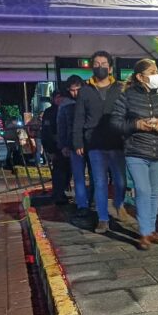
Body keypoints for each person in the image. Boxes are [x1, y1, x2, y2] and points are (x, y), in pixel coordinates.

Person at [111, 58, 158, 250]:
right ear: (140, 77)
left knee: (153, 192)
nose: (156, 75)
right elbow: (115, 123)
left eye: (156, 71)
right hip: (136, 151)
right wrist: (136, 124)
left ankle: (150, 229)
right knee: (142, 190)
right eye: (152, 72)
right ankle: (144, 232)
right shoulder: (127, 96)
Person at [73, 51, 126, 233]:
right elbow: (79, 118)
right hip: (94, 143)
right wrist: (78, 142)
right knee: (100, 182)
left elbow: (127, 113)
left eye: (104, 64)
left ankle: (119, 203)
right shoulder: (85, 90)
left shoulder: (120, 88)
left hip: (117, 141)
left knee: (120, 181)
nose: (100, 67)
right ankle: (103, 218)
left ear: (110, 68)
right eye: (96, 64)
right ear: (92, 67)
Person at [58, 75, 92, 215]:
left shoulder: (89, 101)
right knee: (78, 176)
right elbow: (62, 127)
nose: (75, 93)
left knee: (94, 175)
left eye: (78, 89)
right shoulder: (66, 105)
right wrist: (63, 145)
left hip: (90, 144)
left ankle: (90, 200)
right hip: (73, 145)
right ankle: (82, 204)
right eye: (72, 90)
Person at [41, 92, 70, 205]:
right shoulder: (50, 112)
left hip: (67, 144)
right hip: (56, 146)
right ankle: (58, 194)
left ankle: (62, 191)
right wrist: (50, 149)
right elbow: (46, 132)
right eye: (57, 97)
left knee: (67, 171)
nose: (60, 99)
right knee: (59, 171)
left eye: (61, 97)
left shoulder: (67, 109)